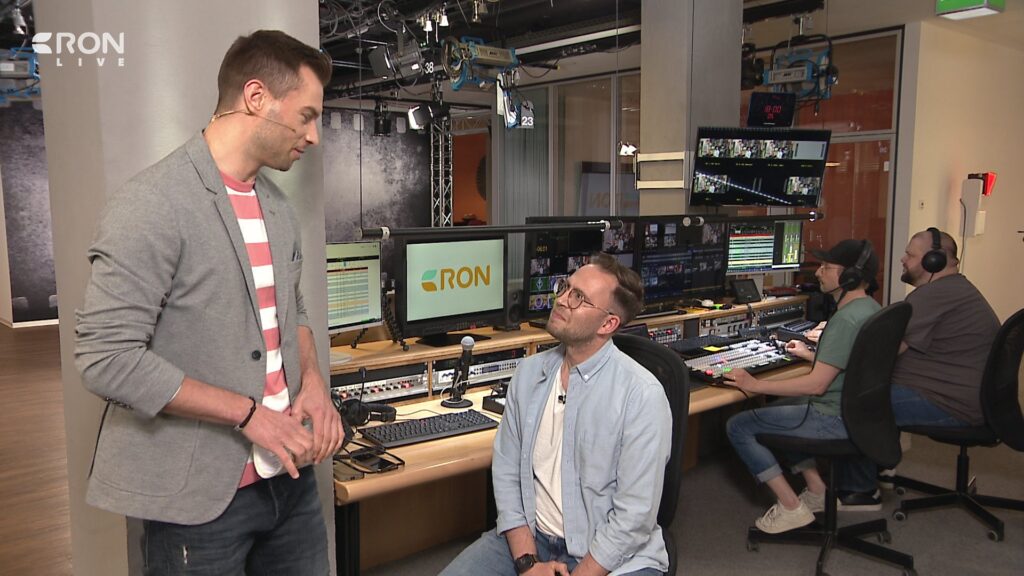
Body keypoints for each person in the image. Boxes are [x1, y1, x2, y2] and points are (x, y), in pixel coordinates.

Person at [74, 30, 342, 574]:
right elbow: (106, 358)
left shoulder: (278, 208)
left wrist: (313, 382)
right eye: (307, 116)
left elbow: (292, 312)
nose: (313, 137)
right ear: (256, 97)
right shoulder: (151, 204)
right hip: (197, 500)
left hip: (290, 482)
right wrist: (249, 415)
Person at [440, 253, 672, 576]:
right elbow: (507, 472)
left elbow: (634, 517)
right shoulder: (529, 373)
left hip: (609, 554)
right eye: (565, 287)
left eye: (579, 297)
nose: (562, 300)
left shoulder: (641, 395)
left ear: (607, 324)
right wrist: (526, 562)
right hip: (532, 539)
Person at [833, 228, 1000, 507]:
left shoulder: (934, 295)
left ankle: (860, 490)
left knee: (858, 400)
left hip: (952, 403)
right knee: (877, 388)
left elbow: (883, 352)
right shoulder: (955, 289)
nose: (903, 259)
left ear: (934, 260)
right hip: (967, 396)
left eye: (910, 255)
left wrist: (830, 348)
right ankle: (883, 468)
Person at [724, 239, 881, 534]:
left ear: (849, 276)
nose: (818, 272)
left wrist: (755, 384)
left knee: (738, 425)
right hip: (856, 412)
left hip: (831, 416)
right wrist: (811, 355)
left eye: (826, 267)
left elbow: (817, 385)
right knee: (782, 407)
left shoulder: (845, 320)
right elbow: (851, 364)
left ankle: (791, 507)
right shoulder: (870, 308)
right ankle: (817, 489)